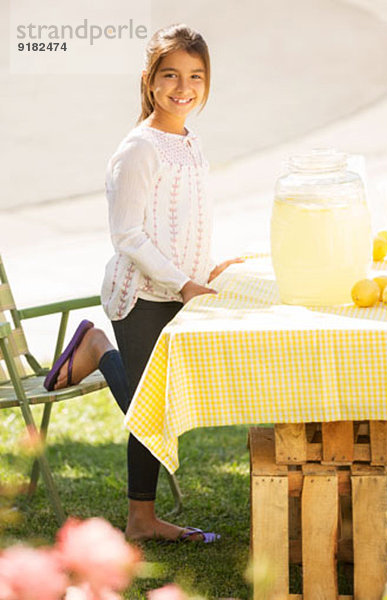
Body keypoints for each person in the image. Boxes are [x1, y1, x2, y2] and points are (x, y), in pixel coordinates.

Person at [46, 23, 242, 542]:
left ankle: (141, 517)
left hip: (179, 289)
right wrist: (182, 283)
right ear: (150, 80)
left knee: (159, 402)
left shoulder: (189, 141)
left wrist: (206, 271)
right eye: (172, 75)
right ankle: (141, 519)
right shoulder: (139, 148)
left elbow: (181, 221)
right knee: (147, 405)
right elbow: (128, 234)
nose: (185, 87)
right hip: (143, 294)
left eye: (196, 76)